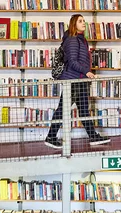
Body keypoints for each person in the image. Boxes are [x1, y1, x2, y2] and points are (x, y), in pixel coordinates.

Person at [45, 14, 110, 149]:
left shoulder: (81, 40)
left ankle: (93, 136)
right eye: (80, 21)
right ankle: (50, 137)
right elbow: (73, 61)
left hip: (80, 79)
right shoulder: (72, 40)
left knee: (83, 110)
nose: (84, 23)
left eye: (84, 21)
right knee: (63, 109)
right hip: (73, 79)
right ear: (74, 24)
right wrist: (86, 72)